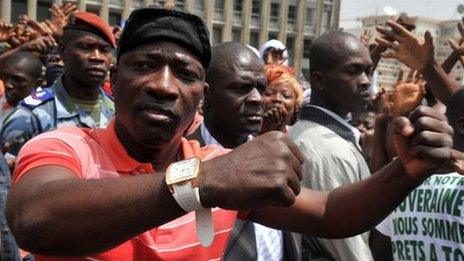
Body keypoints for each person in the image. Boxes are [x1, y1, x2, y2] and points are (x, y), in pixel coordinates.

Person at [6, 7, 458, 261]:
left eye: (183, 73)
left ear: (200, 96)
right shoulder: (63, 144)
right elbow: (36, 221)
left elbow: (327, 213)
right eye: (145, 65)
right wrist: (198, 184)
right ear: (114, 81)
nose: (163, 84)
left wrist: (406, 170)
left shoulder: (216, 166)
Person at [188, 42, 298, 261]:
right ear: (206, 95)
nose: (257, 99)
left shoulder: (274, 159)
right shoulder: (182, 164)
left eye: (261, 88)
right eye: (241, 88)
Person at [288, 31, 375, 261]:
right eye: (353, 71)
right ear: (319, 80)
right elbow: (351, 250)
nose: (366, 81)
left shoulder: (314, 133)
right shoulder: (328, 151)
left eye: (369, 71)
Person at [0, 12, 115, 156]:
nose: (97, 57)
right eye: (86, 47)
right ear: (62, 52)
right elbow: (8, 173)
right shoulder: (31, 115)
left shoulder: (118, 111)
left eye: (104, 50)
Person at [0, 51, 44, 123]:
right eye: (5, 77)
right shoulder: (5, 98)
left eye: (17, 80)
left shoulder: (42, 114)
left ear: (37, 83)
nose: (8, 84)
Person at [261, 64, 303, 133]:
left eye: (286, 95)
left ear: (295, 106)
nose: (277, 99)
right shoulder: (245, 136)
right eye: (268, 93)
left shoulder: (297, 138)